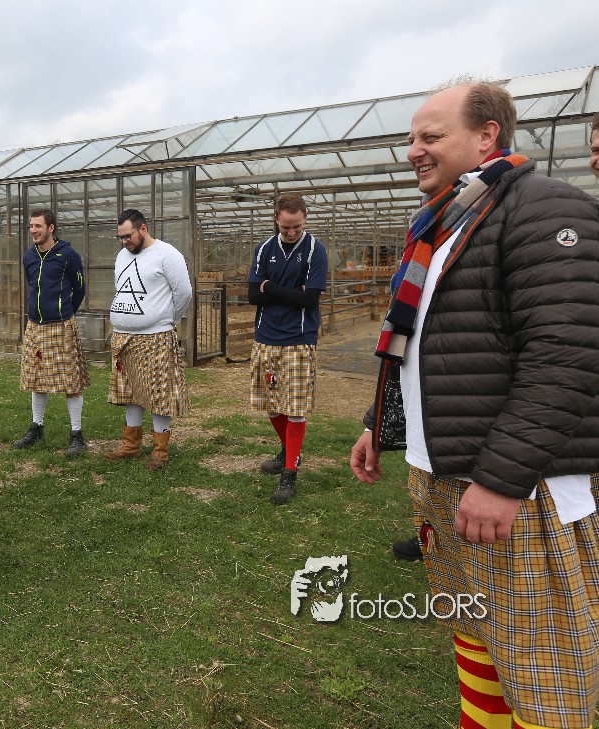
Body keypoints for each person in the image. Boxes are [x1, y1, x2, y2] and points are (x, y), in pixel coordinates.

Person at [351, 81, 599, 729]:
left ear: (487, 135)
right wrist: (382, 424)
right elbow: (423, 337)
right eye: (411, 138)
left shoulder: (543, 208)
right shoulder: (445, 222)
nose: (413, 150)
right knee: (476, 628)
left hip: (523, 488)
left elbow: (567, 353)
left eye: (430, 136)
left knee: (544, 668)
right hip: (447, 472)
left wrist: (501, 479)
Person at [246, 195, 327, 505]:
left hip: (299, 337)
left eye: (297, 227)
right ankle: (288, 450)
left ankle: (289, 472)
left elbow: (309, 300)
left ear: (305, 218)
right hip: (266, 336)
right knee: (271, 404)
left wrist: (269, 286)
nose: (291, 233)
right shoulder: (264, 249)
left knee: (295, 407)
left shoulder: (315, 250)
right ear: (276, 221)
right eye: (285, 227)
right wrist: (290, 293)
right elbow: (253, 296)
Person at [104, 209, 192, 470]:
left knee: (158, 393)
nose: (124, 242)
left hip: (155, 336)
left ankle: (160, 452)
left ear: (143, 229)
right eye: (120, 237)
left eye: (128, 236)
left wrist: (165, 320)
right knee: (131, 391)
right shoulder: (122, 255)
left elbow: (184, 293)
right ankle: (130, 445)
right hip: (124, 337)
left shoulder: (167, 254)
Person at [13, 209, 90, 457]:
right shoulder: (29, 256)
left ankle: (76, 434)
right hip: (35, 326)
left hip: (61, 326)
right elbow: (32, 284)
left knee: (71, 381)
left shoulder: (67, 254)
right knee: (37, 379)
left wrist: (65, 311)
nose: (33, 230)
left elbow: (79, 288)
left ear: (51, 228)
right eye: (31, 226)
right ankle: (36, 428)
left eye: (38, 226)